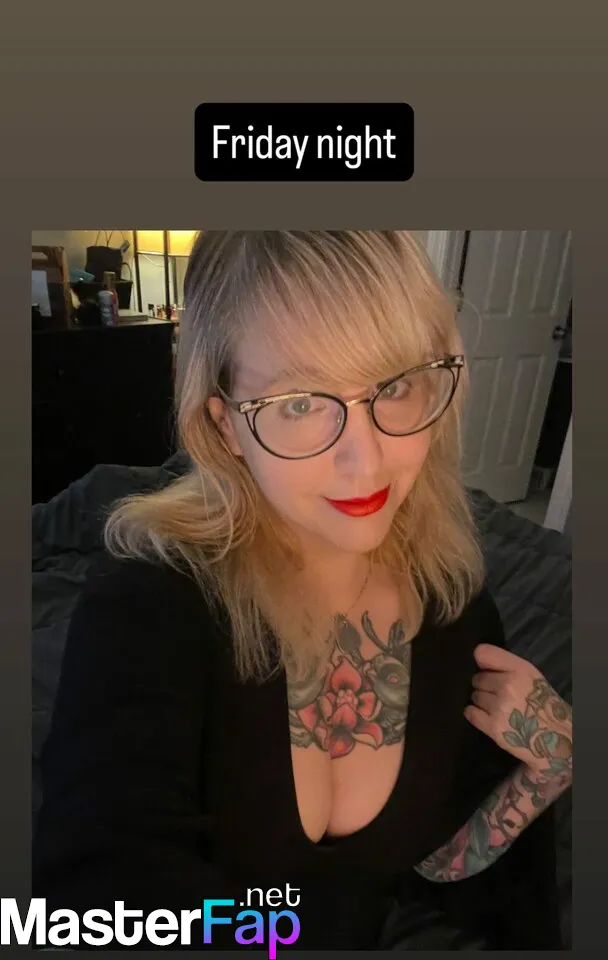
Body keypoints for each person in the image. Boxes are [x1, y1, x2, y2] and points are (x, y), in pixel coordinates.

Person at [33, 231, 572, 950]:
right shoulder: (148, 604)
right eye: (298, 403)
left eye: (394, 387)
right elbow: (100, 904)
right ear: (226, 426)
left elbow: (434, 872)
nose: (365, 461)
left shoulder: (451, 600)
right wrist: (315, 927)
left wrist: (547, 773)